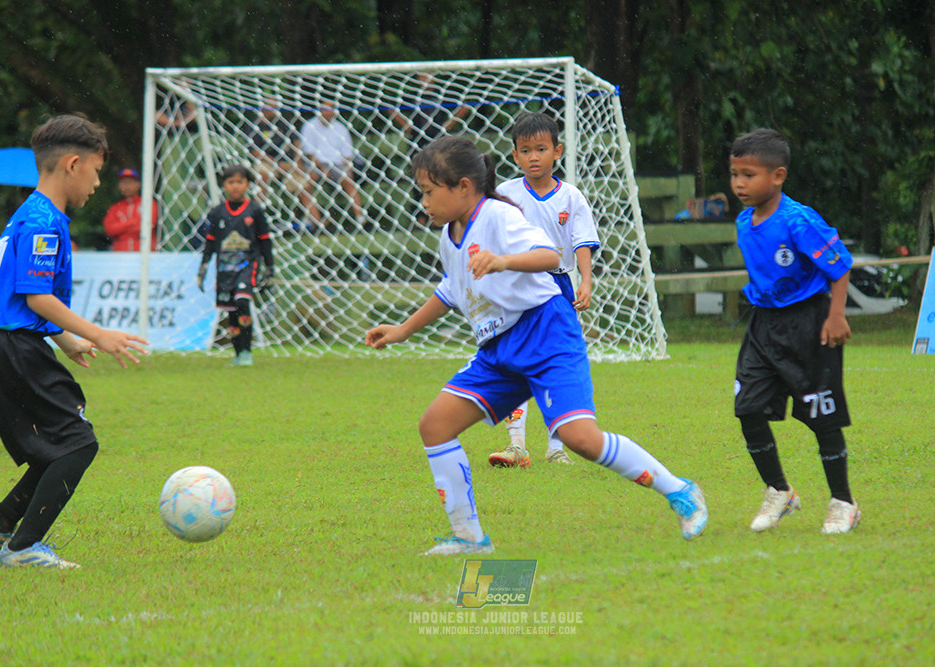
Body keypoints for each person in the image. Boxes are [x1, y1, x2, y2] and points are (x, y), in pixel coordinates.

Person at [365, 136, 707, 555]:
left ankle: (681, 490)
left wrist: (503, 260)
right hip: (499, 348)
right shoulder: (448, 235)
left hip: (546, 332)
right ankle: (470, 540)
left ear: (465, 187)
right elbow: (451, 291)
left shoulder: (498, 217)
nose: (424, 203)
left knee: (579, 438)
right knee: (434, 426)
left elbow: (549, 256)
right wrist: (403, 329)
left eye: (429, 192)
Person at [0, 114, 148, 569]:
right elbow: (35, 295)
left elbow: (11, 291)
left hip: (9, 343)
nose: (99, 182)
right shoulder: (45, 222)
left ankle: (2, 526)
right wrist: (97, 333)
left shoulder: (30, 214)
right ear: (73, 164)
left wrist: (64, 340)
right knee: (78, 443)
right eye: (97, 171)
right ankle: (22, 549)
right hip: (14, 347)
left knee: (57, 443)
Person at [729, 128, 860, 535]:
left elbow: (839, 265)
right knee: (747, 407)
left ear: (778, 176)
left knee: (822, 416)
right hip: (764, 325)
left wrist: (836, 316)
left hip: (809, 323)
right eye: (734, 174)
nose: (739, 184)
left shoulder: (798, 220)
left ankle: (843, 502)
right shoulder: (742, 220)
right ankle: (779, 490)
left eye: (749, 175)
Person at [487, 112, 600, 468]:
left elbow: (582, 241)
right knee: (513, 362)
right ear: (515, 156)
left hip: (556, 285)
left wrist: (585, 279)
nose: (533, 156)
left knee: (556, 364)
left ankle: (557, 446)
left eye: (541, 148)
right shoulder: (505, 194)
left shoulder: (571, 197)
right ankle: (516, 446)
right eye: (525, 150)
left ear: (557, 151)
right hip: (515, 286)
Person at [197, 165, 274, 367]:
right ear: (224, 185)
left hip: (248, 265)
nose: (235, 186)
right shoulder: (217, 213)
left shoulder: (255, 210)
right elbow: (211, 242)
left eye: (239, 182)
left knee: (242, 302)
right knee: (231, 311)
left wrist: (270, 267)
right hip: (224, 268)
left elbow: (265, 240)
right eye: (231, 182)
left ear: (247, 184)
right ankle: (238, 353)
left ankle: (247, 351)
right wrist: (203, 268)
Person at [390, 72, 469, 225]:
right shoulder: (413, 96)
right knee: (418, 178)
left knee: (439, 176)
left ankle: (439, 215)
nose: (425, 79)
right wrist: (409, 128)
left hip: (438, 142)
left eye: (428, 76)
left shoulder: (442, 94)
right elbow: (390, 107)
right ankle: (420, 216)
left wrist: (446, 127)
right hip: (417, 142)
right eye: (421, 77)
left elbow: (465, 106)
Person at [299, 98, 364, 229]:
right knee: (306, 183)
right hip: (316, 164)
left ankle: (360, 217)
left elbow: (347, 154)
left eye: (331, 110)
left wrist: (348, 169)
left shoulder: (341, 128)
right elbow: (309, 152)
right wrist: (322, 168)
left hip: (337, 164)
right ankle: (314, 220)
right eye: (325, 110)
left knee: (348, 180)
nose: (328, 113)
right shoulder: (309, 126)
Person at [249, 97, 312, 216]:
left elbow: (296, 142)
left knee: (305, 184)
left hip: (287, 164)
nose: (273, 111)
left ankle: (316, 223)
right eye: (270, 108)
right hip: (267, 163)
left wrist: (298, 163)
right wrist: (276, 164)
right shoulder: (254, 126)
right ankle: (257, 215)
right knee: (262, 174)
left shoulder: (282, 123)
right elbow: (255, 152)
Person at [102, 168, 159, 251]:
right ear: (119, 186)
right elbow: (110, 230)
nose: (126, 186)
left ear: (139, 184)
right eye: (123, 182)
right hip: (121, 255)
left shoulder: (148, 203)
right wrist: (134, 221)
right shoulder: (115, 208)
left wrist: (121, 231)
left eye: (130, 182)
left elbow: (148, 226)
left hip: (144, 254)